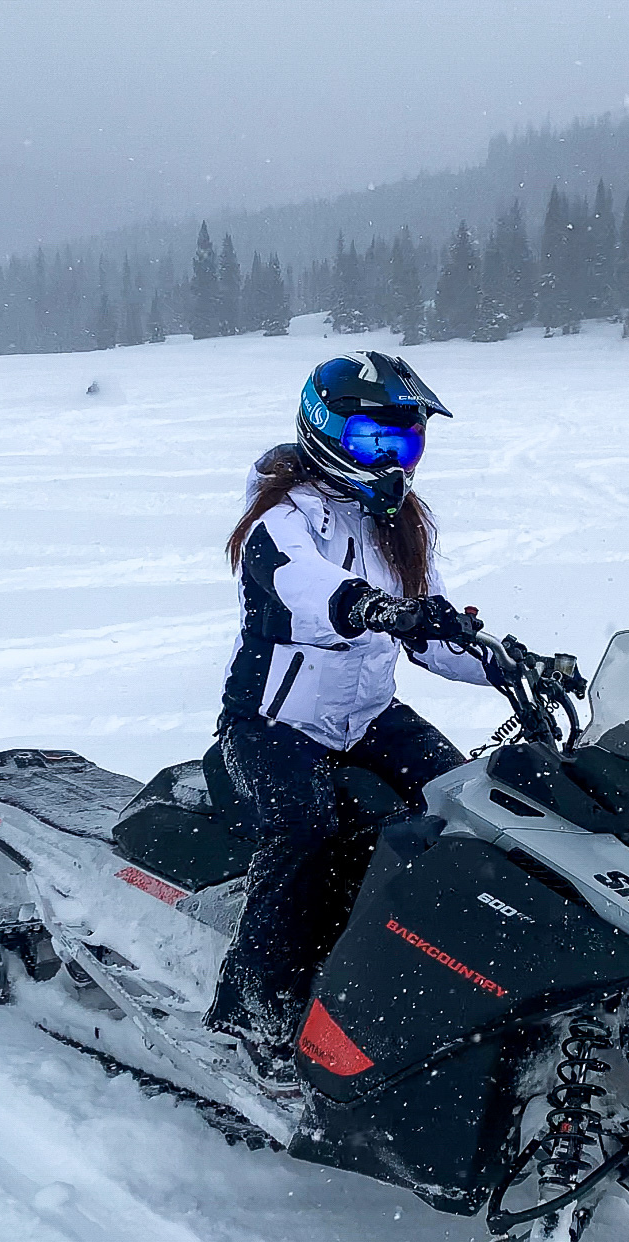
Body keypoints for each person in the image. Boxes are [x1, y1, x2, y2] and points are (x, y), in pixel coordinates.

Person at [206, 349, 491, 1075]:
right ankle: (256, 1006)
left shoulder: (399, 523)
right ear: (326, 430)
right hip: (272, 724)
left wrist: (501, 659)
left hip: (366, 719)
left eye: (407, 443)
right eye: (377, 442)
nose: (395, 460)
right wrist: (367, 605)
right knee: (304, 827)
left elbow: (428, 637)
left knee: (468, 803)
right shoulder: (281, 519)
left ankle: (422, 978)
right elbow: (305, 588)